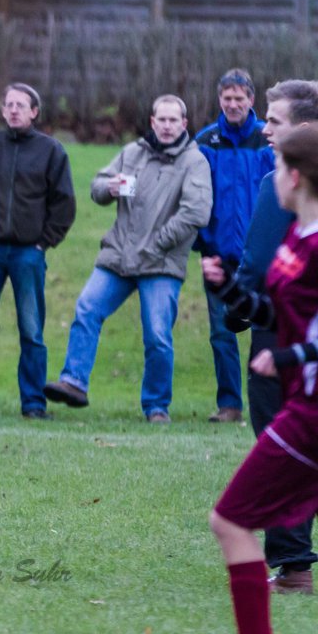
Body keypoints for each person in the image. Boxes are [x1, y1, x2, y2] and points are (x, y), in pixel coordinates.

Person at [196, 124, 318, 634]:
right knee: (233, 521)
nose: (270, 173)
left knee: (229, 519)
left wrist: (291, 355)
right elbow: (278, 308)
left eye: (275, 162)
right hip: (302, 406)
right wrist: (229, 294)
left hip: (312, 417)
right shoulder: (298, 237)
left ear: (295, 175)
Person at [43, 95, 211, 422]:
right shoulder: (133, 152)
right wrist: (110, 188)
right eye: (160, 119)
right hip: (119, 256)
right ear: (152, 122)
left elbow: (197, 212)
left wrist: (159, 242)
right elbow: (95, 187)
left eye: (172, 120)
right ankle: (74, 382)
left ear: (184, 124)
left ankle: (156, 406)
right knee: (87, 309)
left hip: (160, 263)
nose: (166, 126)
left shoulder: (195, 163)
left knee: (158, 336)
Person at [231, 80, 318, 594]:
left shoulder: (278, 183)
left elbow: (259, 264)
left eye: (275, 120)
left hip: (280, 339)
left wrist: (236, 311)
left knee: (280, 446)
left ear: (305, 130)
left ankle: (293, 567)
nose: (265, 128)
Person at [0, 83, 76, 419]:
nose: (14, 110)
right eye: (8, 104)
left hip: (28, 252)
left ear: (34, 111)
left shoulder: (51, 152)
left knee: (32, 332)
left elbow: (64, 203)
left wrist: (44, 240)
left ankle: (34, 404)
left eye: (21, 105)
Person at [194, 68, 275, 423]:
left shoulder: (267, 140)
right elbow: (194, 197)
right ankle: (229, 404)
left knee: (269, 329)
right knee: (222, 332)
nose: (232, 104)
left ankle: (275, 404)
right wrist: (204, 244)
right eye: (226, 99)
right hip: (219, 254)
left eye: (239, 99)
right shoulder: (206, 141)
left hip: (264, 257)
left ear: (251, 101)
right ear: (219, 100)